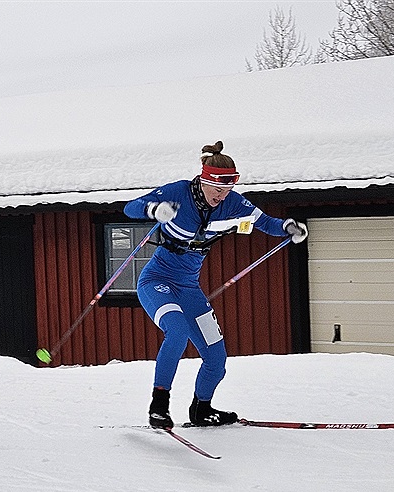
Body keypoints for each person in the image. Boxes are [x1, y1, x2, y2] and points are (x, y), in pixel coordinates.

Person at [123, 141, 307, 429]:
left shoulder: (233, 203)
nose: (222, 197)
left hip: (188, 288)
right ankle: (159, 406)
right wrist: (154, 209)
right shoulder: (178, 192)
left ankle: (202, 409)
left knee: (216, 356)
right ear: (203, 180)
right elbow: (130, 208)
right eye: (217, 189)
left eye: (227, 190)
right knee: (178, 331)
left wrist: (287, 227)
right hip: (157, 281)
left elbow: (265, 222)